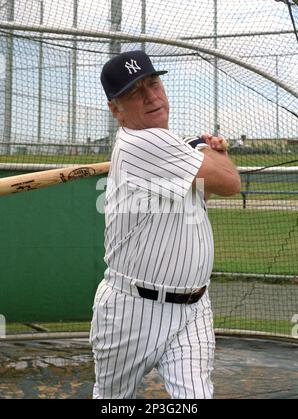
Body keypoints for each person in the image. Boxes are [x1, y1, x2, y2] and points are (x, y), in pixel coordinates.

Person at [90, 50, 241, 399]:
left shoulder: (169, 147)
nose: (151, 96)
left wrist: (205, 151)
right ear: (116, 109)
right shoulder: (141, 143)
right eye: (134, 92)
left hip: (194, 310)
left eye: (154, 83)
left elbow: (208, 190)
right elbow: (231, 183)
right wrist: (212, 151)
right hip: (132, 311)